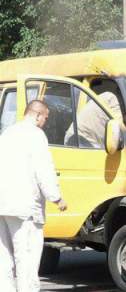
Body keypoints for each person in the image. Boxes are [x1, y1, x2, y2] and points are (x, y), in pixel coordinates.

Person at [0, 100, 67, 292]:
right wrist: (56, 197)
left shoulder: (7, 133)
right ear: (38, 115)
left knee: (4, 256)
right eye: (45, 117)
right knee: (27, 258)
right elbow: (43, 169)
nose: (45, 121)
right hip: (25, 207)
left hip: (3, 205)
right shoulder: (36, 135)